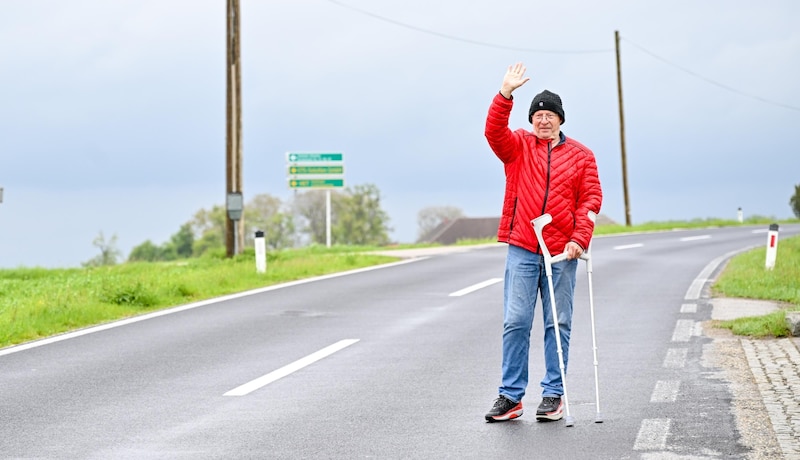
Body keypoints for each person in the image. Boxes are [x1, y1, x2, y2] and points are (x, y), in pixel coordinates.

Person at [483, 63, 603, 423]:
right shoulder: (518, 145)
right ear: (531, 119)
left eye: (550, 115)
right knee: (515, 321)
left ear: (561, 120)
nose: (544, 120)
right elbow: (493, 132)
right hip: (523, 246)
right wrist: (505, 94)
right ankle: (511, 396)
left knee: (558, 323)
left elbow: (591, 201)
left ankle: (553, 394)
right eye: (538, 114)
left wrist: (579, 240)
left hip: (561, 253)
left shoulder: (582, 156)